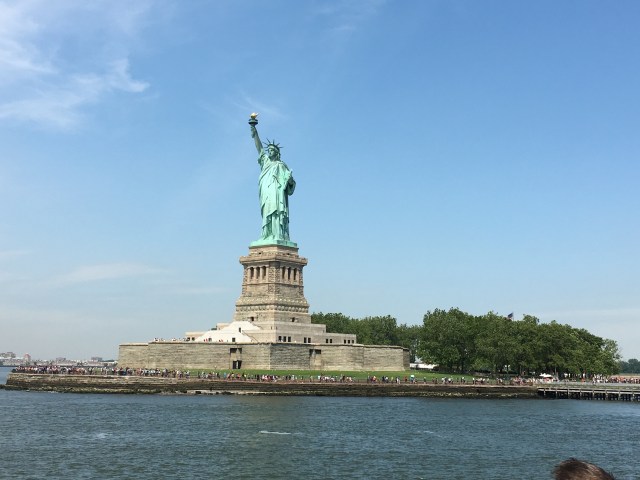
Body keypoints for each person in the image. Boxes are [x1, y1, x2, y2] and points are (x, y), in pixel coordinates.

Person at [249, 115, 296, 243]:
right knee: (267, 212)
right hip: (266, 190)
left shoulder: (281, 165)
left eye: (272, 150)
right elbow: (259, 147)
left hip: (277, 192)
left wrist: (290, 180)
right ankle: (267, 234)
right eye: (268, 150)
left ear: (277, 152)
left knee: (277, 212)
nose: (269, 152)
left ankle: (279, 234)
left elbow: (290, 185)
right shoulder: (265, 162)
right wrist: (254, 129)